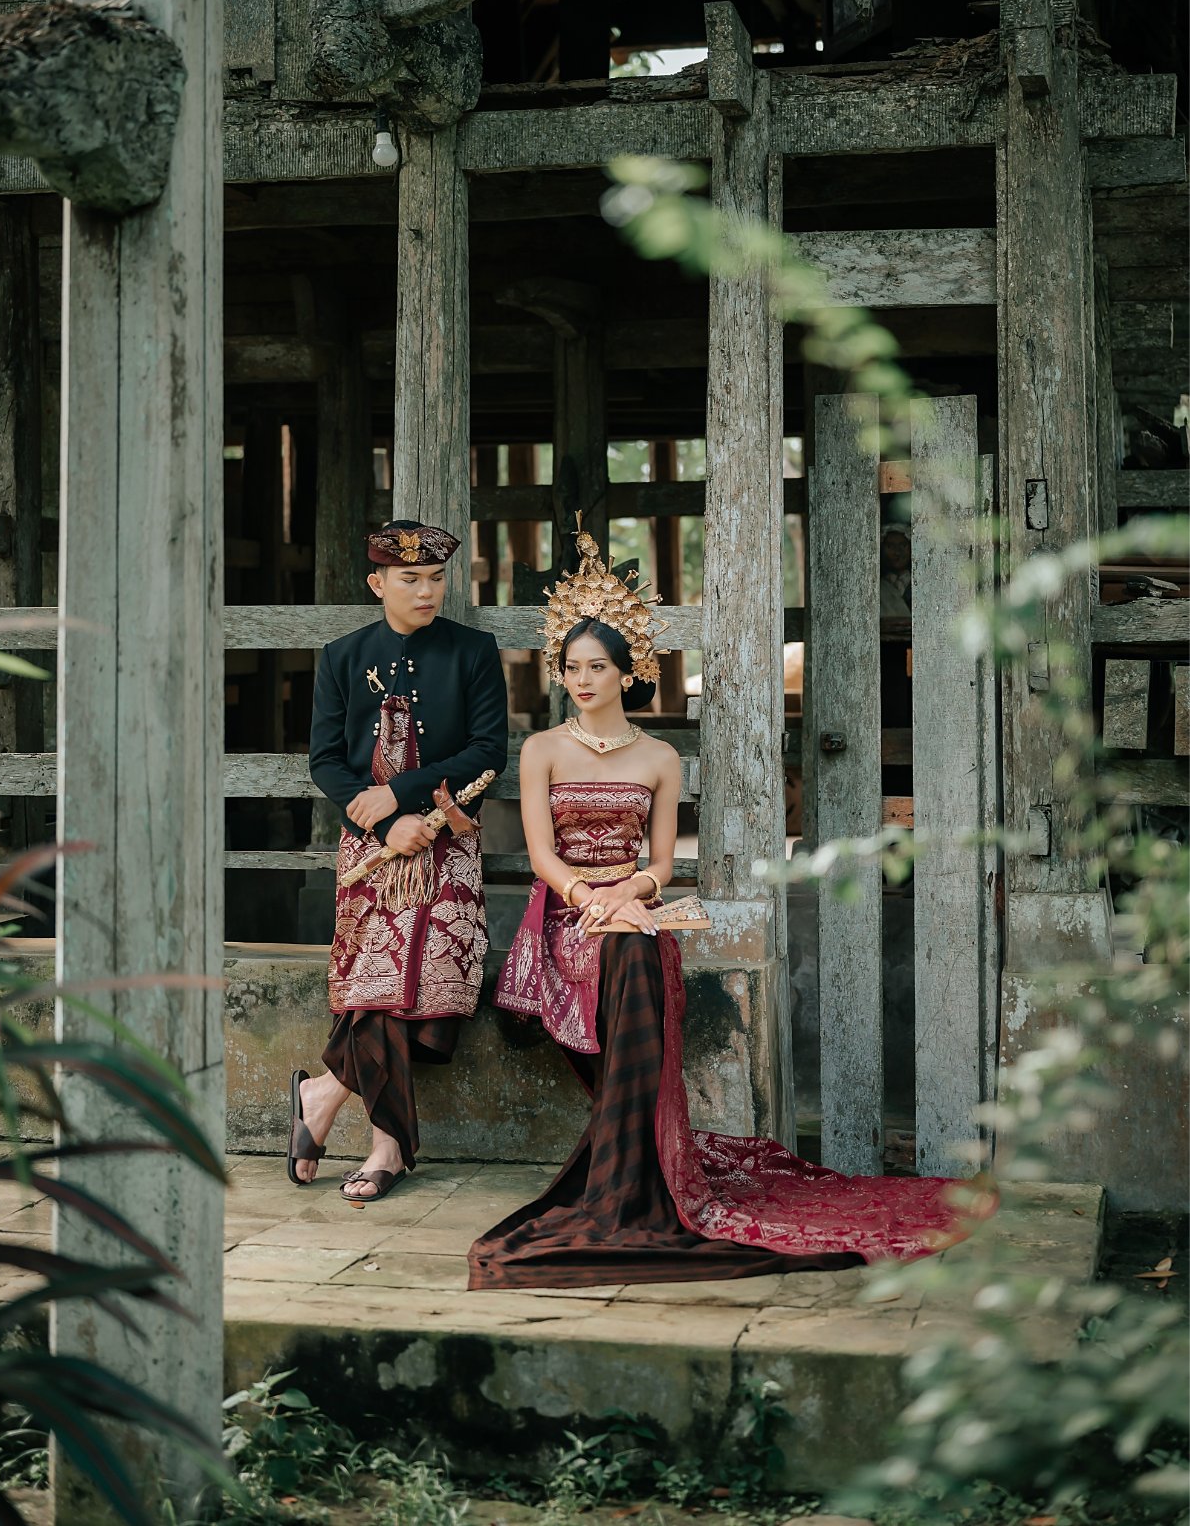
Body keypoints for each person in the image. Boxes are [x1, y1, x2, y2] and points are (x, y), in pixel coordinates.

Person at [469, 522, 990, 1287]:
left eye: (597, 667)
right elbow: (543, 855)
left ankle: (630, 1179)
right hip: (565, 914)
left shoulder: (658, 757)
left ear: (629, 670)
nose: (581, 680)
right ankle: (628, 1174)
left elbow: (659, 864)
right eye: (571, 667)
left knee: (637, 948)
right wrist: (589, 898)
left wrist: (630, 894)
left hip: (632, 910)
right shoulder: (543, 748)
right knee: (624, 946)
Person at [288, 519, 508, 1201]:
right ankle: (387, 1144)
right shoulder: (342, 657)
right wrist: (385, 820)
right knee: (375, 984)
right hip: (372, 849)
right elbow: (326, 760)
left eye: (436, 578)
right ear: (377, 583)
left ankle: (323, 1095)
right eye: (410, 579)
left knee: (428, 990)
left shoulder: (473, 651)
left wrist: (403, 795)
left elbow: (488, 750)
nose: (426, 591)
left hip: (449, 839)